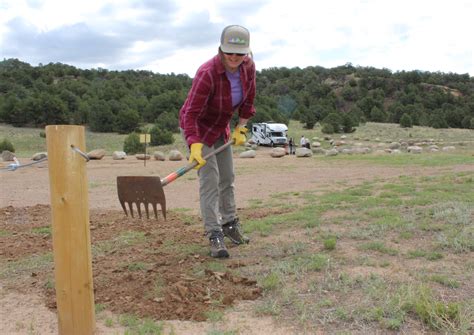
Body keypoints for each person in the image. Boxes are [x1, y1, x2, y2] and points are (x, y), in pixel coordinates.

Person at [179, 25, 256, 258]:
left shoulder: (248, 67)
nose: (234, 57)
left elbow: (248, 99)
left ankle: (230, 224)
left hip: (221, 127)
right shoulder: (207, 72)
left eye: (239, 53)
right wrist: (194, 144)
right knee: (210, 181)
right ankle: (214, 234)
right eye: (229, 52)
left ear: (246, 53)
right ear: (221, 49)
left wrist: (240, 127)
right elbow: (191, 114)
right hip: (198, 129)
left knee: (227, 178)